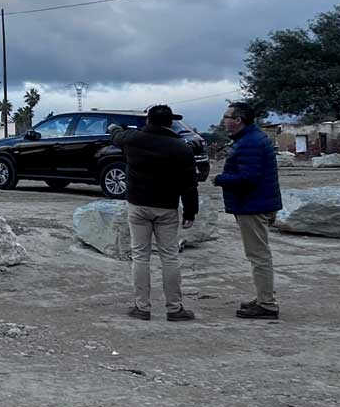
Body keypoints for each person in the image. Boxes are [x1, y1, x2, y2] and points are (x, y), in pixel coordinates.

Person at [119, 105, 200, 321]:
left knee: (140, 256)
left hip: (137, 205)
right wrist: (191, 212)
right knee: (169, 257)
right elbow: (190, 185)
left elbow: (117, 136)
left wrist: (114, 127)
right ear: (170, 122)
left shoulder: (133, 139)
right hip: (167, 206)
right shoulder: (181, 148)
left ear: (148, 120)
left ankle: (142, 306)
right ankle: (174, 308)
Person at [213, 102, 282, 320]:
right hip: (259, 203)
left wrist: (220, 179)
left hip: (252, 205)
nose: (223, 120)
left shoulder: (249, 143)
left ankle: (267, 304)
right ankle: (263, 297)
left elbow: (249, 178)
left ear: (238, 120)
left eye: (227, 116)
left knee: (258, 255)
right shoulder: (252, 139)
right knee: (259, 254)